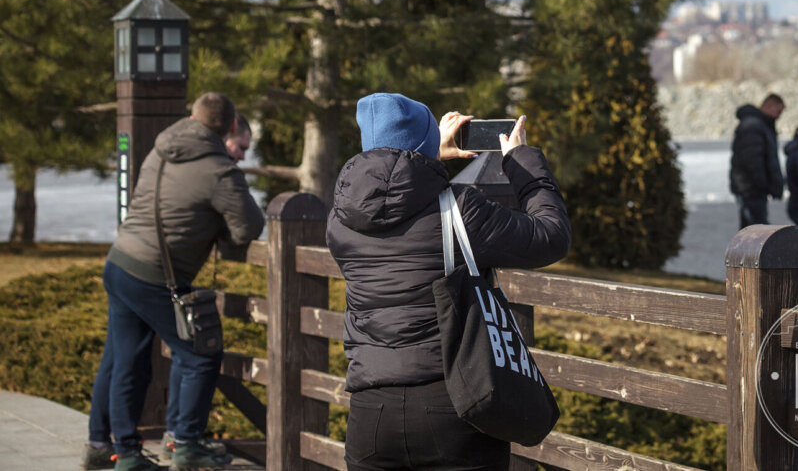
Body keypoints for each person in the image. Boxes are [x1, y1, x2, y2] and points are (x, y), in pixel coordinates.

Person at [326, 93, 571, 471]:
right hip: (454, 403)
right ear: (424, 143)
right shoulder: (461, 209)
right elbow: (550, 235)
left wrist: (427, 157)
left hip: (371, 413)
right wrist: (521, 161)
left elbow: (393, 199)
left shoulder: (340, 221)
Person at [88, 92, 265, 471]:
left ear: (192, 116)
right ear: (231, 126)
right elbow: (249, 226)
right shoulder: (219, 171)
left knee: (127, 361)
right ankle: (184, 443)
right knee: (200, 352)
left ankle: (123, 452)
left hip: (119, 262)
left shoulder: (162, 148)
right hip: (154, 275)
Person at [729, 93, 785, 228]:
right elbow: (752, 161)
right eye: (778, 111)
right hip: (751, 189)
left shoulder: (758, 125)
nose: (779, 116)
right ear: (769, 106)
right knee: (756, 231)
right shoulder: (754, 126)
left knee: (753, 230)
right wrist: (765, 184)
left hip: (750, 188)